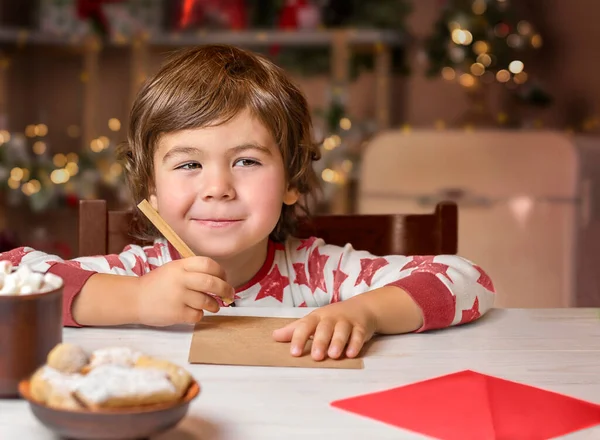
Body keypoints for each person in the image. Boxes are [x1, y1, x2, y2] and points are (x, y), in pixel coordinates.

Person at [0, 45, 495, 361]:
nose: (218, 187)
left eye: (247, 162)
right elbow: (8, 276)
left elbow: (469, 280)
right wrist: (135, 300)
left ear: (292, 181)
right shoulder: (135, 274)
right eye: (189, 164)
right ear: (150, 185)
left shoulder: (320, 273)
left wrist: (365, 314)